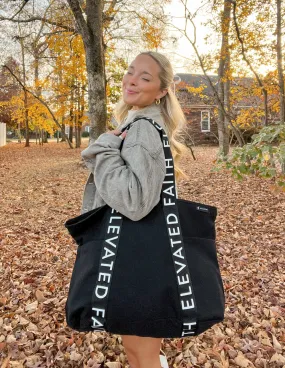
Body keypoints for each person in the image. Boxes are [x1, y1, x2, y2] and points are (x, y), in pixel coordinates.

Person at [80, 51, 190, 368]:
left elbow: (135, 201)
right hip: (142, 257)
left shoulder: (142, 127)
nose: (132, 80)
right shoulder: (136, 121)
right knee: (140, 353)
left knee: (142, 356)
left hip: (140, 263)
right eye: (131, 71)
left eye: (145, 77)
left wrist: (104, 149)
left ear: (162, 90)